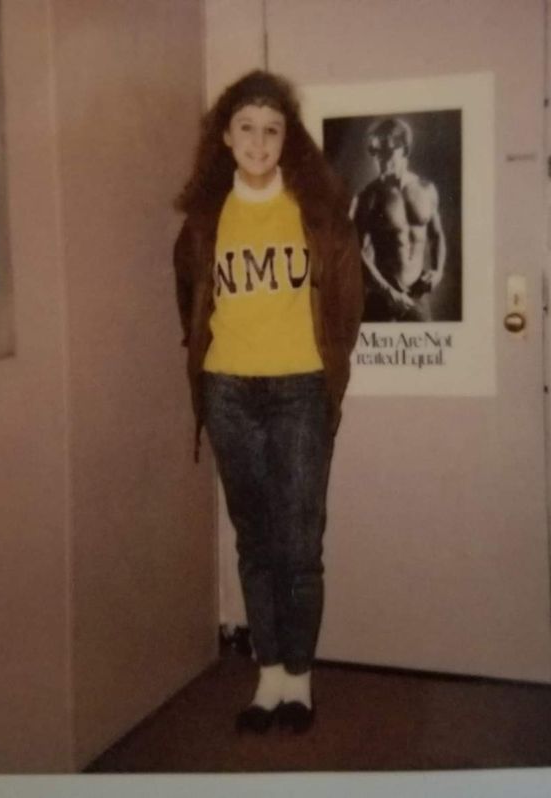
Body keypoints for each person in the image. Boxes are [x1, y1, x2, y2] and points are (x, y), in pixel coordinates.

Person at [173, 70, 363, 735]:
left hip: (299, 391)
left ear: (289, 140)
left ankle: (300, 680)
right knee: (254, 538)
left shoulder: (318, 215)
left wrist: (323, 376)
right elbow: (192, 306)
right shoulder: (202, 220)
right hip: (228, 391)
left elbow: (345, 307)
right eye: (245, 128)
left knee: (300, 540)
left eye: (272, 129)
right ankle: (268, 676)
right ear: (225, 137)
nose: (258, 142)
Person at [351, 117, 447, 321]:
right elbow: (355, 252)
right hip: (382, 299)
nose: (381, 160)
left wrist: (438, 272)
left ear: (405, 150)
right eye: (377, 153)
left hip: (417, 298)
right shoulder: (368, 196)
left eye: (387, 152)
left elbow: (437, 235)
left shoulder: (427, 190)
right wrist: (387, 292)